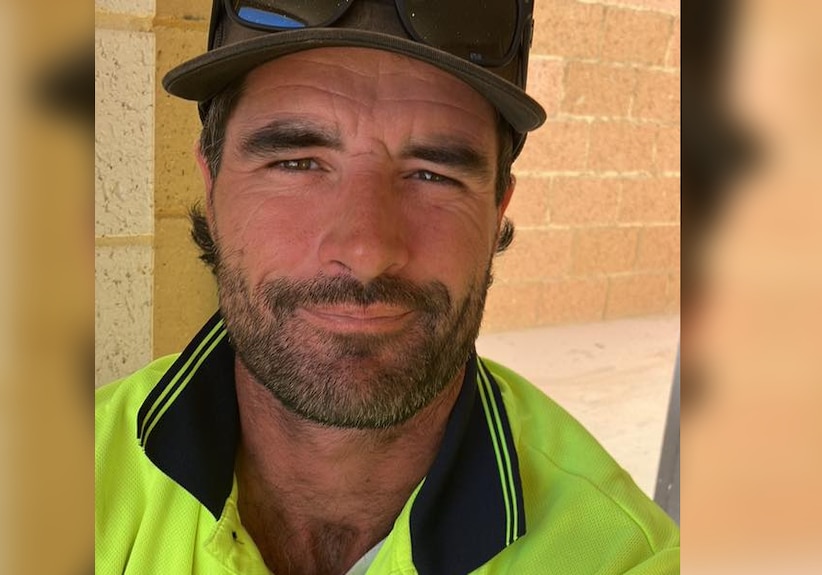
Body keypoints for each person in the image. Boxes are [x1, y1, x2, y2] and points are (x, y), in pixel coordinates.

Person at [95, 1, 680, 573]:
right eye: (297, 162)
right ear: (212, 186)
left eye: (433, 174)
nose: (366, 251)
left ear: (497, 211)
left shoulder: (621, 556)